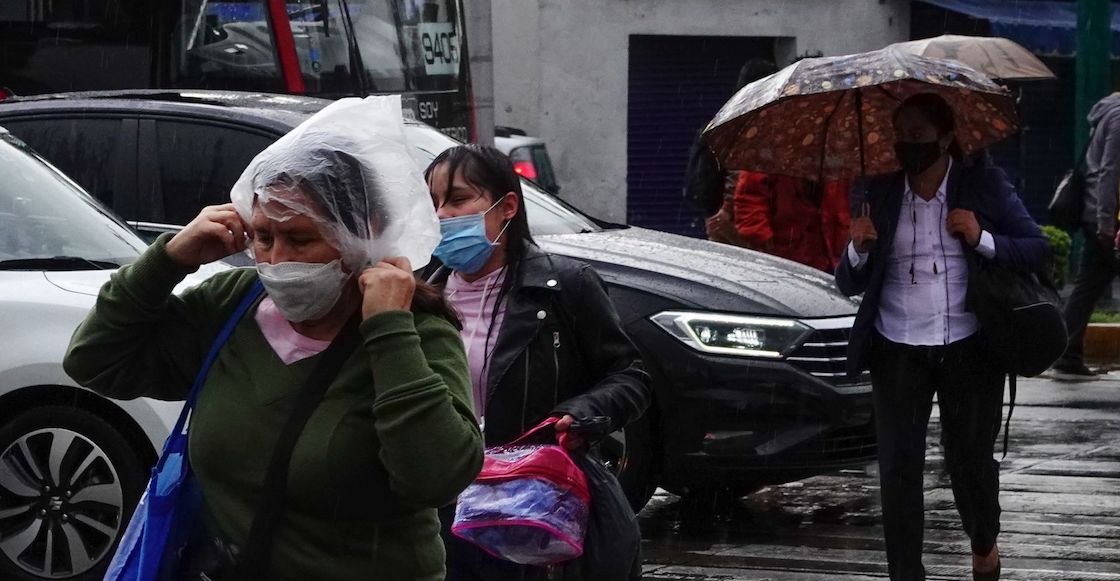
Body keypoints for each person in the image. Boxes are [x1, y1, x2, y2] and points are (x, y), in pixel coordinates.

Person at [63, 99, 483, 580]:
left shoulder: (415, 330)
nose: (278, 259)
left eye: (301, 240)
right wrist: (167, 261)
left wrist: (388, 329)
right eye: (263, 237)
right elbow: (93, 360)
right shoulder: (231, 306)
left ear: (362, 236)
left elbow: (438, 475)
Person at [834, 93, 1048, 581]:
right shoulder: (878, 191)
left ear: (946, 138)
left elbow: (1035, 248)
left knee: (970, 461)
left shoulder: (982, 184)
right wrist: (857, 248)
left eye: (917, 135)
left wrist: (980, 238)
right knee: (898, 467)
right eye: (900, 136)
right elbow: (848, 281)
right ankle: (906, 573)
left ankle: (984, 540)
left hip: (969, 345)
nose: (906, 146)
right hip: (897, 346)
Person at [423, 145, 652, 580]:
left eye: (457, 199)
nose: (441, 215)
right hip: (442, 512)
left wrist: (580, 415)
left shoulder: (564, 286)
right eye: (432, 203)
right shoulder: (419, 295)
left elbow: (630, 376)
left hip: (526, 507)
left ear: (506, 206)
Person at [1051, 92, 1120, 381]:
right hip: (1109, 220)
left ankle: (1065, 353)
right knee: (1086, 287)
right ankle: (1065, 353)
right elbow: (1109, 171)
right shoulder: (1118, 117)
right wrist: (1106, 223)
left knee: (1086, 288)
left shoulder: (1108, 110)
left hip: (1099, 217)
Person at [683, 58, 779, 240]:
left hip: (722, 223)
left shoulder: (720, 125)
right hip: (739, 226)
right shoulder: (754, 131)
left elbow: (699, 185)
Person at [732, 173, 851, 272]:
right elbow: (749, 199)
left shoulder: (838, 155)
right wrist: (763, 237)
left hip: (831, 252)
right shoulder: (770, 153)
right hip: (786, 252)